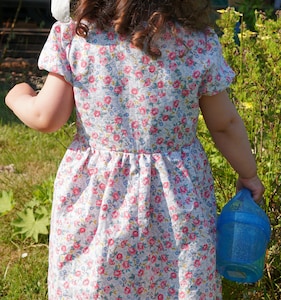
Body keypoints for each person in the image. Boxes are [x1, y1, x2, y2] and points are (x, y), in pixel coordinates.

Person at [5, 0, 265, 298]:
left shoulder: (77, 36)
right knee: (178, 280)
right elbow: (225, 124)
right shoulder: (197, 42)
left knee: (96, 279)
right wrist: (249, 173)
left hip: (99, 196)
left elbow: (46, 117)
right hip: (176, 198)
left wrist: (17, 95)